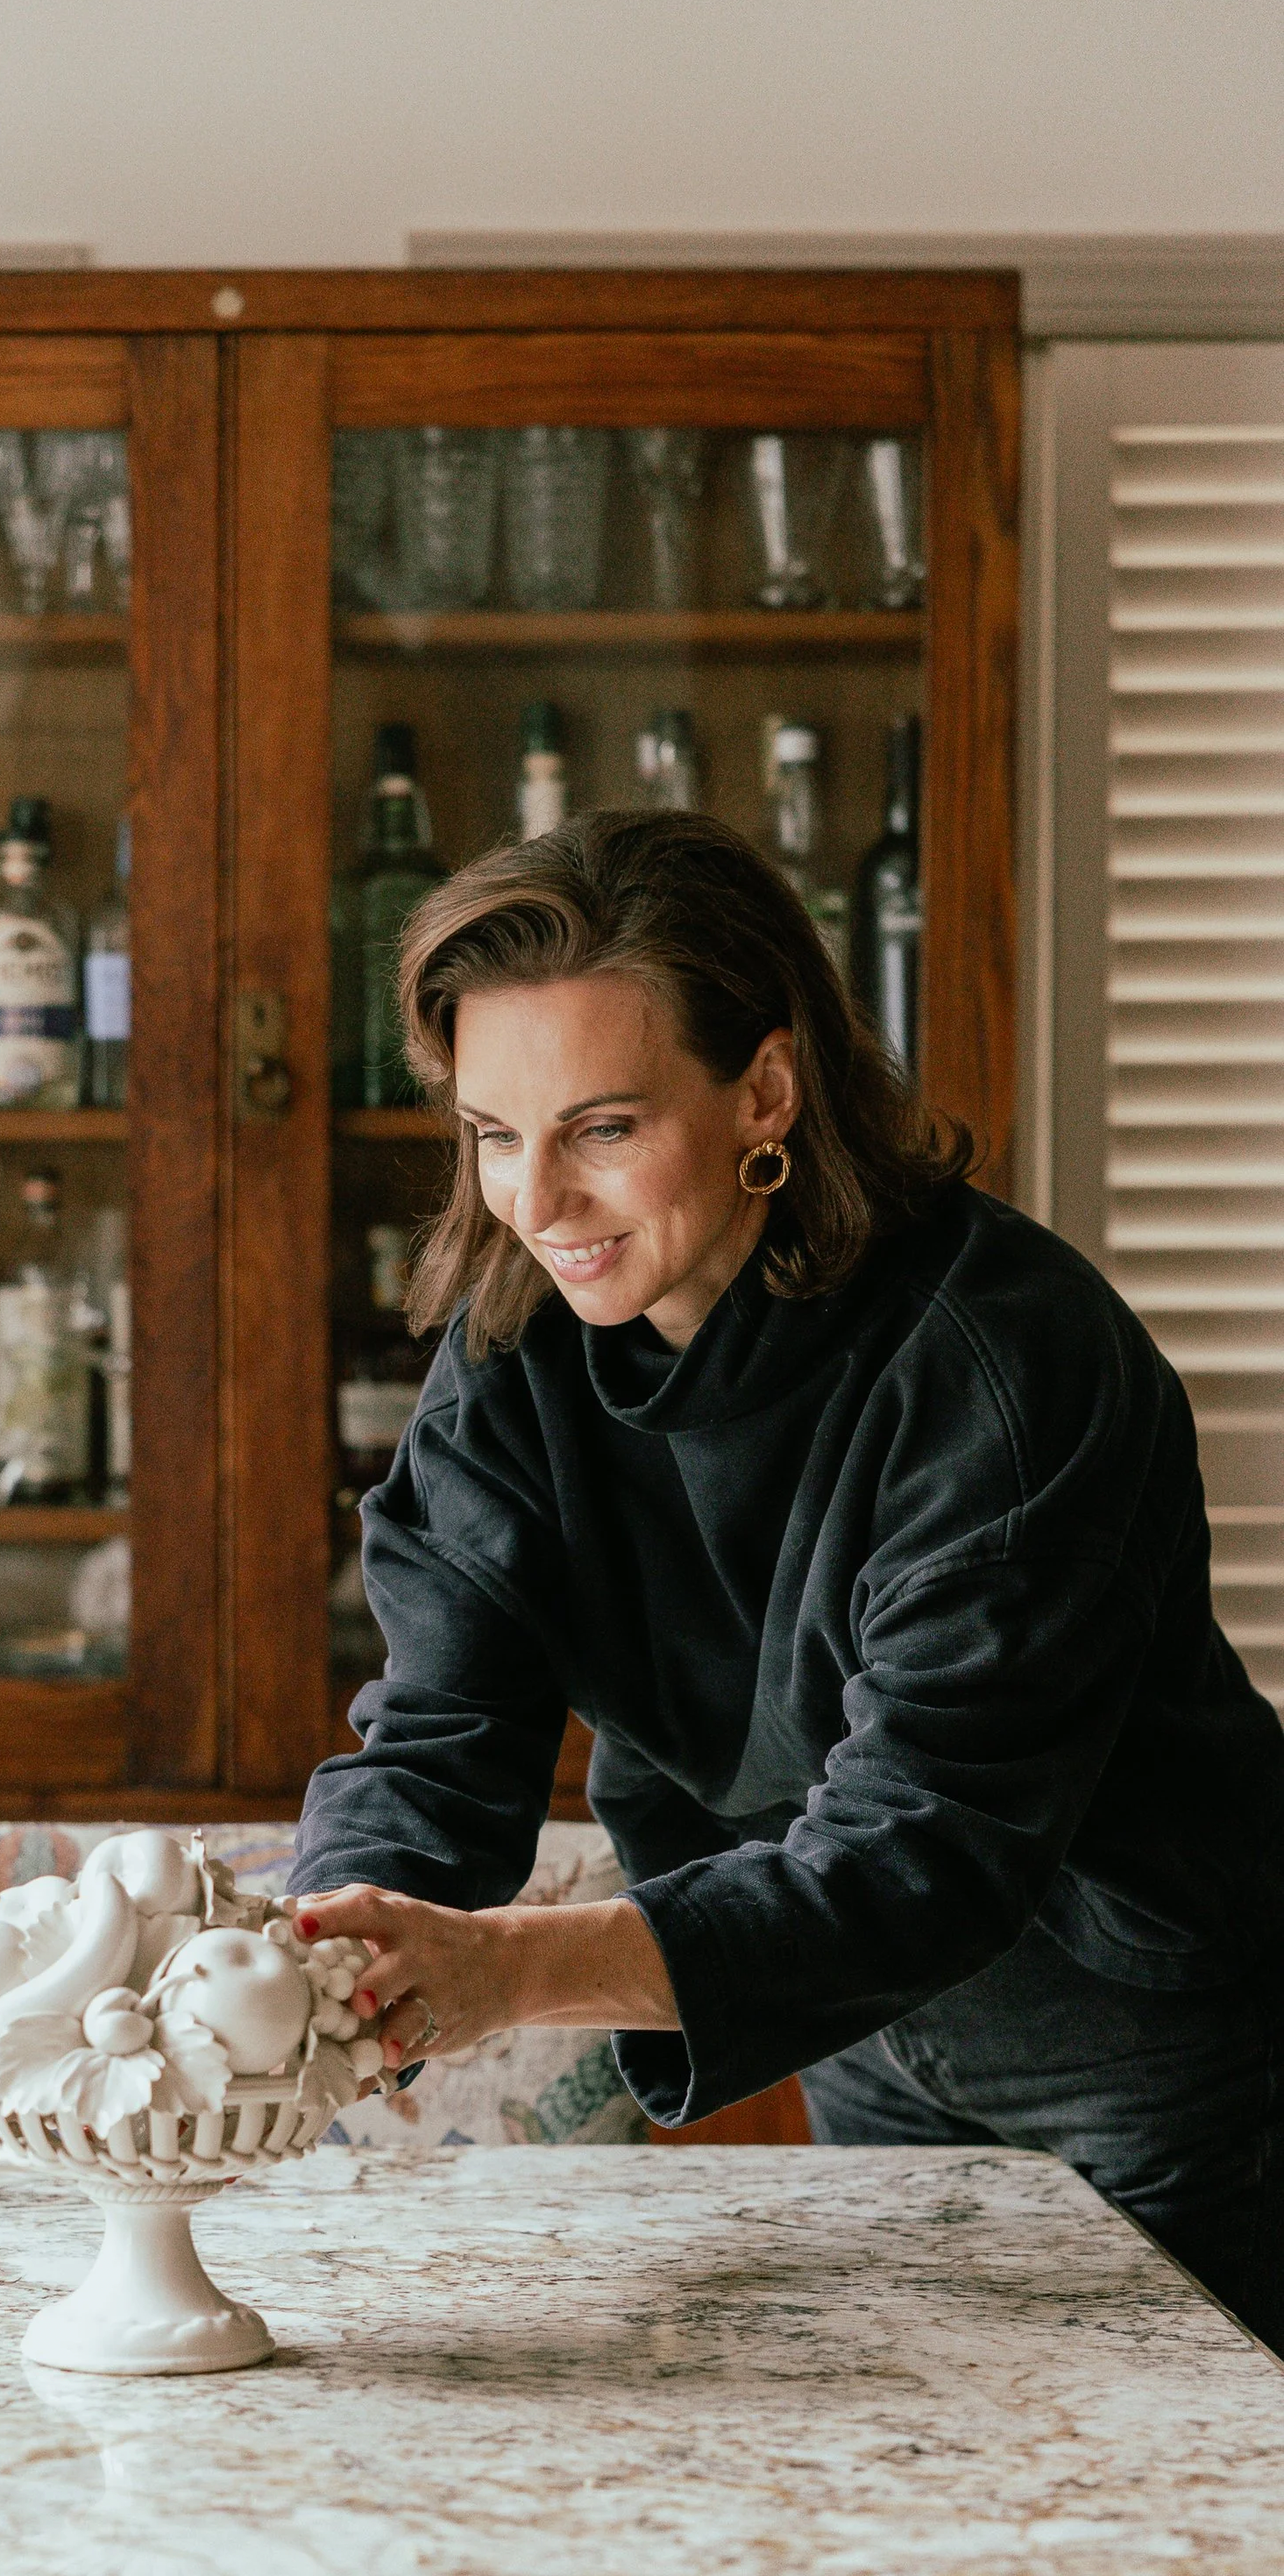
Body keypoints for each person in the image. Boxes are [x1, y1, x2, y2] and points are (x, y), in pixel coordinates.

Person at [290, 809, 1284, 2350]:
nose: (538, 1202)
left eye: (602, 1127)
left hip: (1146, 2040)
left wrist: (502, 1974)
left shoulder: (1005, 1364)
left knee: (1175, 2549)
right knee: (933, 2509)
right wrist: (325, 1938)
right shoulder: (513, 1352)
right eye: (495, 1133)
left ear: (765, 1086)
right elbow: (441, 1728)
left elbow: (926, 1845)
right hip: (860, 2018)